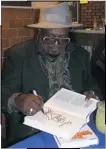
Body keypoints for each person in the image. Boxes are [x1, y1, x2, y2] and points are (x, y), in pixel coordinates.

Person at [2, 2, 101, 147]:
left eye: (63, 39)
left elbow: (93, 86)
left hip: (73, 130)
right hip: (32, 133)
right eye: (49, 38)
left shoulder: (81, 56)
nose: (56, 44)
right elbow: (3, 92)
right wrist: (18, 100)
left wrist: (93, 94)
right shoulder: (18, 55)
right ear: (40, 32)